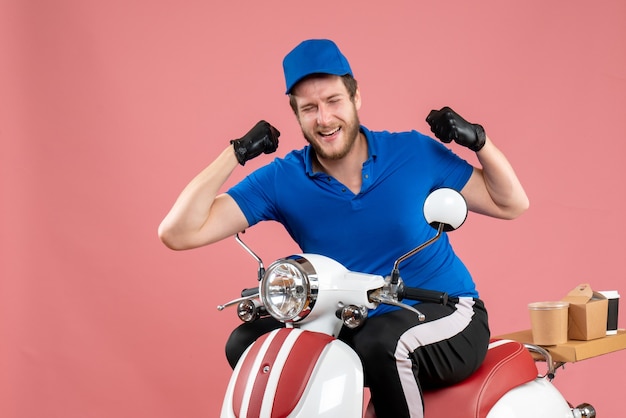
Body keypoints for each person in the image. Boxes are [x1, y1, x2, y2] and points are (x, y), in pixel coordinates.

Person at [158, 39, 529, 418]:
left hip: (444, 314)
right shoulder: (283, 179)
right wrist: (235, 153)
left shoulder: (413, 153)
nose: (324, 118)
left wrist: (479, 141)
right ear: (297, 116)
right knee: (247, 342)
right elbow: (179, 232)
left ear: (355, 100)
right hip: (351, 320)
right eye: (309, 108)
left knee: (383, 342)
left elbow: (510, 203)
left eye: (333, 101)